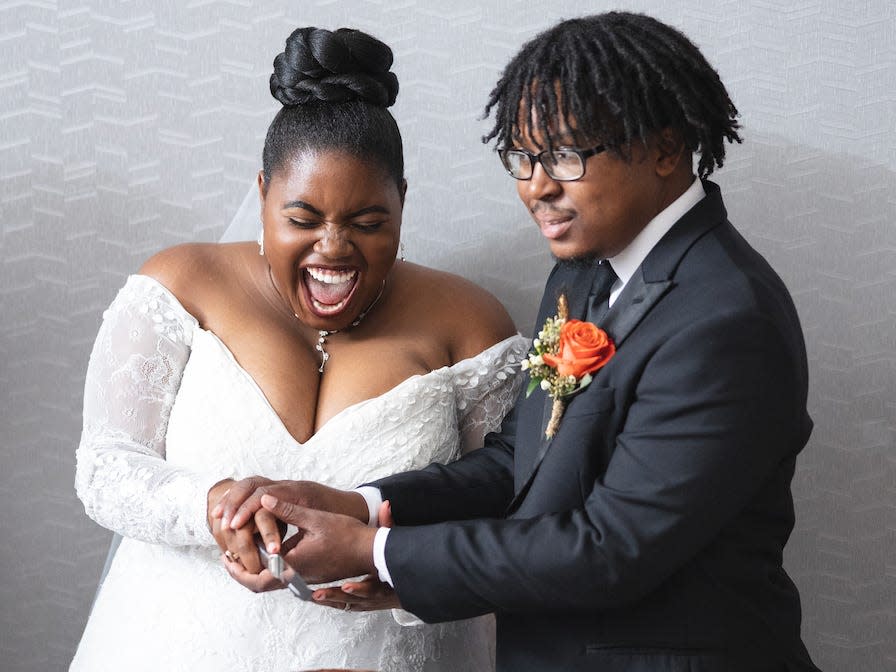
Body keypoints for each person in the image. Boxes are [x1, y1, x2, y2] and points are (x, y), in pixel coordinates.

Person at [217, 12, 821, 672]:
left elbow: (609, 551)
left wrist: (374, 552)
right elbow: (522, 460)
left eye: (564, 155)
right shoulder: (584, 270)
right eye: (523, 158)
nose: (536, 185)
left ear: (665, 148)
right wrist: (362, 505)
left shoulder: (726, 318)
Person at [71, 26, 528, 672]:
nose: (334, 247)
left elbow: (505, 516)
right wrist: (211, 508)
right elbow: (104, 467)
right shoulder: (180, 288)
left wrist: (390, 568)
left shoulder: (470, 325)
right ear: (262, 195)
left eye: (369, 223)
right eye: (303, 218)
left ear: (403, 202)